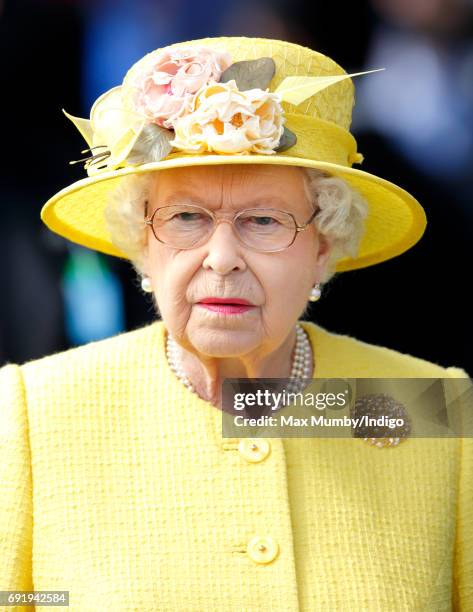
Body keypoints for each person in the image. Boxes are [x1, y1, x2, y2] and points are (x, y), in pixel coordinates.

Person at [0, 36, 471, 611]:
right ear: (143, 245)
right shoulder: (32, 411)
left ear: (323, 247)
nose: (222, 258)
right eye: (187, 217)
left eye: (265, 220)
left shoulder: (430, 408)